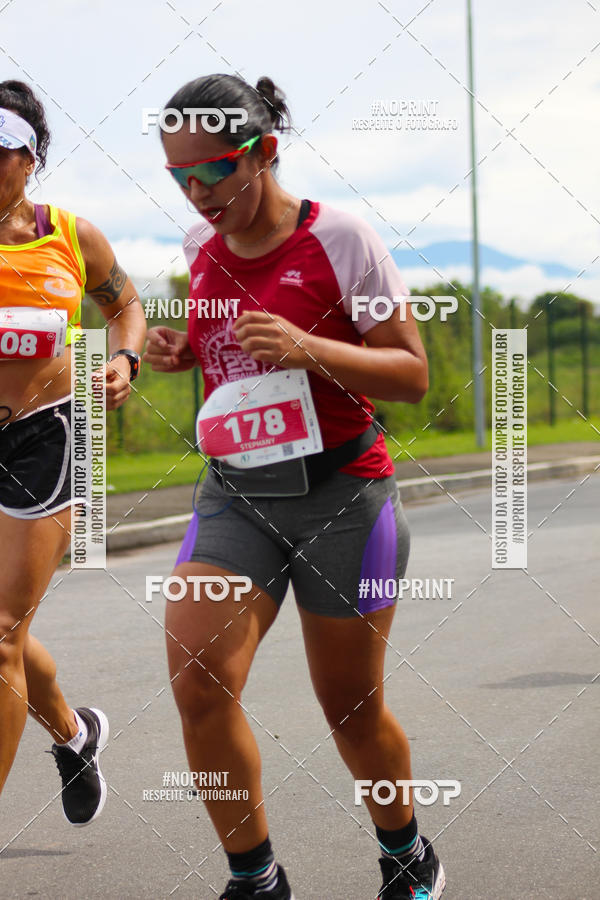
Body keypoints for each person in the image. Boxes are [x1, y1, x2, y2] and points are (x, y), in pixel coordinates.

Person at [145, 73, 445, 899]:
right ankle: (255, 877)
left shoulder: (342, 237)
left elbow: (413, 375)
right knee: (197, 682)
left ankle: (405, 850)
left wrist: (314, 348)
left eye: (212, 170)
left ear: (264, 152)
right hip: (237, 494)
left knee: (351, 711)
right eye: (179, 175)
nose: (197, 192)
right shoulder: (198, 253)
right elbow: (236, 367)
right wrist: (184, 355)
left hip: (345, 496)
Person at [0, 80, 146, 825]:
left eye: (1, 152)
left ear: (31, 159)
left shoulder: (71, 235)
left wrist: (125, 360)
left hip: (47, 438)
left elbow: (123, 305)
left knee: (1, 631)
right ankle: (75, 734)